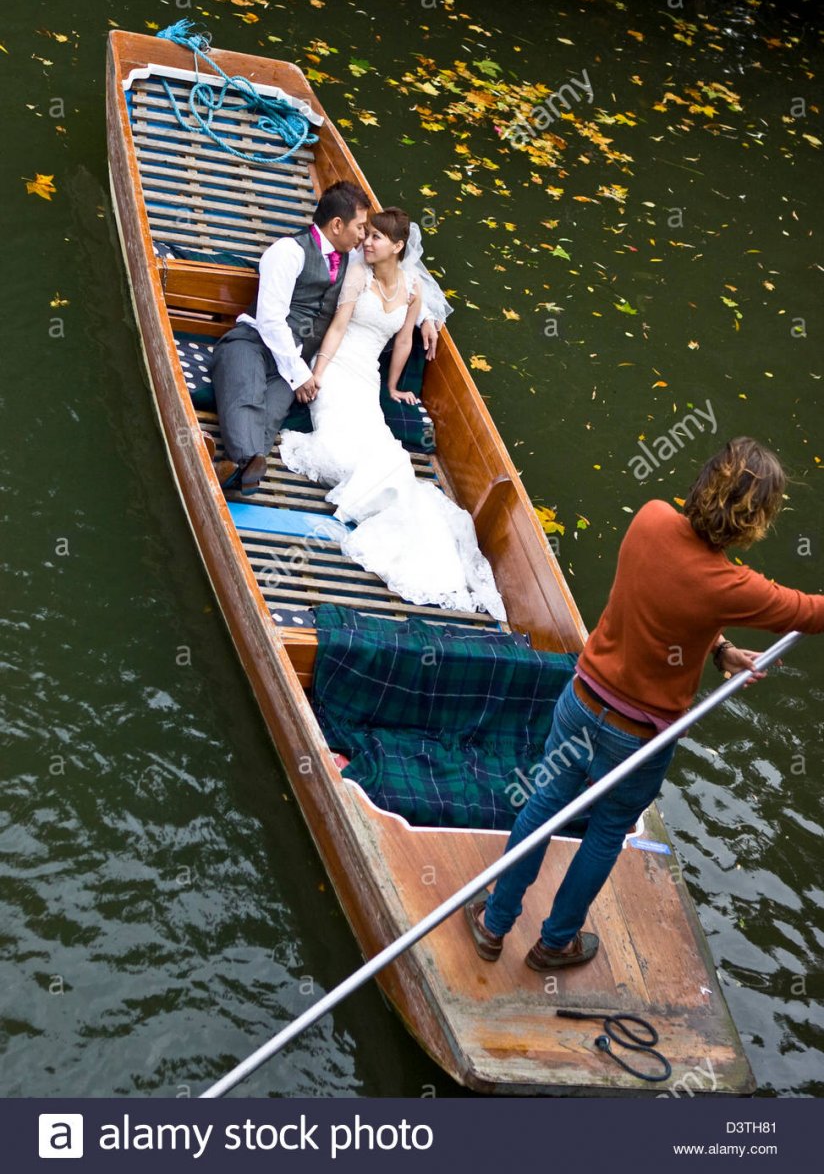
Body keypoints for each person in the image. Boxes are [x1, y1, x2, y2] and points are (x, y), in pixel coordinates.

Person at [465, 437, 824, 970]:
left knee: (543, 807)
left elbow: (667, 599)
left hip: (583, 704)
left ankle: (493, 925)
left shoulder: (651, 518)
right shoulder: (736, 586)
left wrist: (718, 647)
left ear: (704, 484)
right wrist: (720, 642)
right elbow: (810, 612)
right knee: (608, 831)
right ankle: (555, 942)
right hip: (638, 740)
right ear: (756, 522)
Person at [278, 208, 505, 619]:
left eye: (377, 238)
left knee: (389, 459)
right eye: (367, 234)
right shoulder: (358, 274)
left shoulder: (413, 287)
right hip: (339, 369)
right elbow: (338, 326)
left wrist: (393, 386)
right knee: (340, 451)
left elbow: (402, 341)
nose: (367, 242)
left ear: (398, 247)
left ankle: (417, 543)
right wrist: (318, 373)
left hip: (366, 377)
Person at [210, 182, 443, 495]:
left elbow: (399, 273)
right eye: (360, 228)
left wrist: (427, 316)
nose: (364, 237)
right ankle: (244, 464)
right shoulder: (288, 252)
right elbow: (270, 321)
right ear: (337, 225)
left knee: (273, 411)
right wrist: (302, 374)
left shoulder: (353, 258)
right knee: (247, 393)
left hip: (297, 362)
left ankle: (239, 467)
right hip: (252, 343)